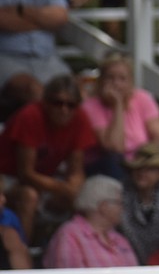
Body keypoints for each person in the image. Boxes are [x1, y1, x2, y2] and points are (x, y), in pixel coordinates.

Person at [41, 175, 154, 274]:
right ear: (103, 206)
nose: (123, 208)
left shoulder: (119, 239)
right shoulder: (69, 235)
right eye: (120, 203)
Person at [0, 75, 96, 241]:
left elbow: (76, 168)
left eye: (71, 105)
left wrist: (73, 187)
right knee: (29, 196)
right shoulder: (30, 116)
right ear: (45, 102)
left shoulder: (80, 118)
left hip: (47, 177)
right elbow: (26, 173)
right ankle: (23, 254)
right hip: (9, 176)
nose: (64, 109)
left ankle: (74, 249)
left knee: (85, 196)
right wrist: (60, 187)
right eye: (57, 103)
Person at [82, 53, 159, 181]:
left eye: (122, 79)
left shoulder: (142, 98)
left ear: (131, 82)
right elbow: (114, 147)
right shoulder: (90, 107)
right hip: (105, 168)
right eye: (110, 78)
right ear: (101, 81)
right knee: (114, 161)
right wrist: (117, 106)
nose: (116, 84)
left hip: (139, 163)